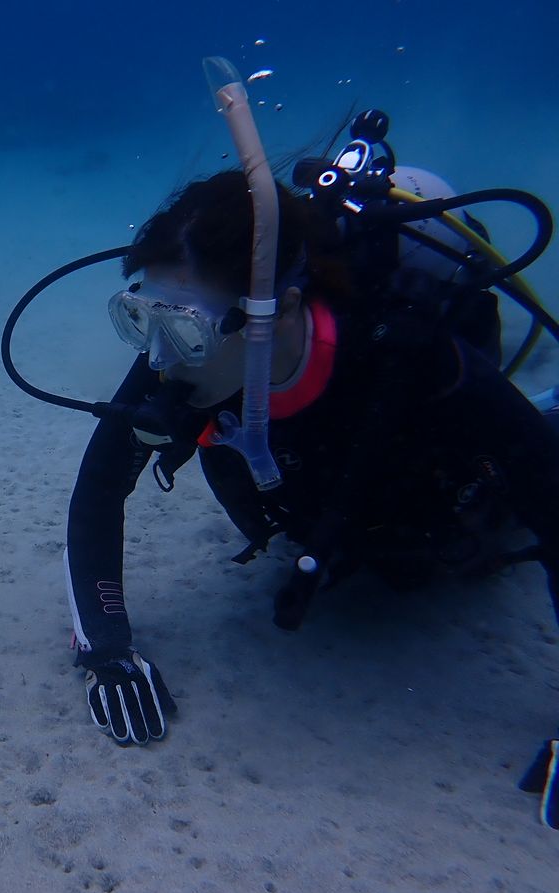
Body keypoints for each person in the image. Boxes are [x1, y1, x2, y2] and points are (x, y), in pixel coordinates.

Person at [59, 164, 559, 825]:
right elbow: (98, 489)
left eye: (181, 328)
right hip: (311, 524)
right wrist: (106, 648)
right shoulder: (188, 355)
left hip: (444, 526)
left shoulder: (408, 355)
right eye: (140, 319)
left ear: (281, 310)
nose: (157, 358)